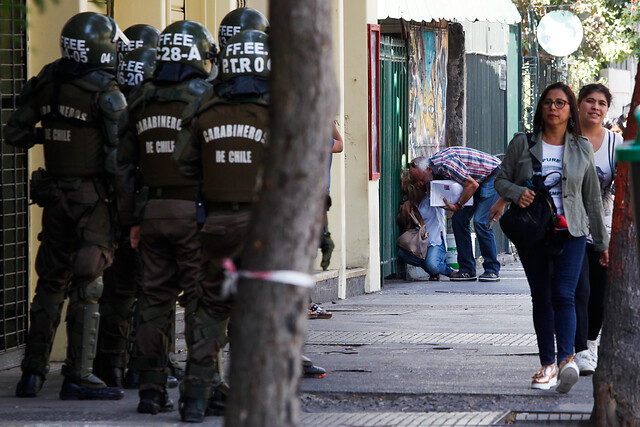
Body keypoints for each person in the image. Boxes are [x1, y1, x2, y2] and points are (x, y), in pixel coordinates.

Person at [4, 12, 127, 400]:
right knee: (88, 284)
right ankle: (78, 375)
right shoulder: (106, 92)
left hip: (55, 197)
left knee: (49, 285)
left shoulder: (46, 82)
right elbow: (116, 159)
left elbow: (16, 133)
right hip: (92, 201)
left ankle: (32, 373)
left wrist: (56, 133)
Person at [116, 20, 216, 418]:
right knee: (200, 302)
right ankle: (198, 394)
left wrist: (133, 219)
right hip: (195, 214)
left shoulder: (140, 98)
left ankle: (149, 390)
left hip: (152, 213)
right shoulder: (207, 96)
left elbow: (123, 166)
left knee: (153, 301)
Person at [172, 28, 269, 421]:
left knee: (211, 308)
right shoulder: (278, 109)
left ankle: (195, 399)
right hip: (264, 229)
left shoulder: (205, 109)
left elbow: (182, 163)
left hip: (215, 224)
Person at [495, 82, 609, 393]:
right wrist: (518, 193)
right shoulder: (523, 143)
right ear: (541, 108)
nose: (554, 108)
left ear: (570, 110)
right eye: (548, 102)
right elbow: (501, 181)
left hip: (570, 232)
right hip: (533, 233)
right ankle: (547, 365)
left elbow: (593, 200)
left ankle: (566, 361)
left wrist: (601, 244)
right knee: (542, 297)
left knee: (564, 294)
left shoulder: (581, 146)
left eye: (560, 103)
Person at [94, 23, 160, 390]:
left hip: (112, 209)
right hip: (146, 209)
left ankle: (112, 366)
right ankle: (143, 366)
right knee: (149, 290)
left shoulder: (115, 101)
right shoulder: (152, 106)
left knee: (118, 291)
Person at [573, 83, 622, 375]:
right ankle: (577, 349)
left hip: (602, 225)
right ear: (579, 104)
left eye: (601, 103)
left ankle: (590, 343)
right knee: (578, 289)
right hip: (567, 225)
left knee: (599, 291)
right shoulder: (565, 138)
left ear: (607, 109)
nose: (595, 107)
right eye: (589, 101)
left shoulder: (614, 144)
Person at [415, 146, 505, 282]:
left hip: (492, 175)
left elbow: (472, 185)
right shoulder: (433, 169)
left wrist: (457, 205)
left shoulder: (446, 165)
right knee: (458, 220)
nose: (420, 184)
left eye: (420, 179)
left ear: (428, 169)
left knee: (480, 221)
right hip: (477, 180)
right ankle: (467, 269)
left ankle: (492, 269)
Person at [401, 157, 455, 280]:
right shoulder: (410, 203)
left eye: (421, 181)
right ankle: (431, 267)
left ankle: (448, 271)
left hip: (435, 242)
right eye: (416, 182)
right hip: (418, 244)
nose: (420, 184)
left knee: (433, 265)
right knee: (401, 254)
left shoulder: (432, 198)